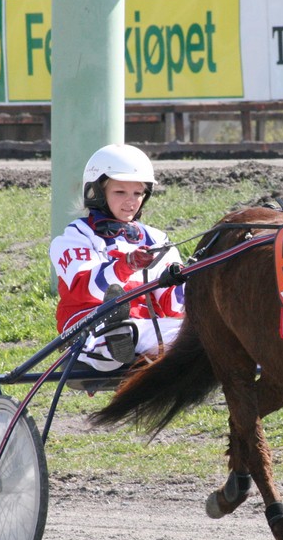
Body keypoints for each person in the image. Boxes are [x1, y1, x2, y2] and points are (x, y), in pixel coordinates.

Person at [49, 143, 185, 373]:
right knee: (111, 333)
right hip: (87, 328)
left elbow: (174, 305)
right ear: (97, 192)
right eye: (120, 192)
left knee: (200, 333)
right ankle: (113, 340)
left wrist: (194, 285)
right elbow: (88, 288)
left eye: (138, 193)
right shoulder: (74, 236)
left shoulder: (156, 239)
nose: (131, 201)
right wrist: (127, 265)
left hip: (143, 328)